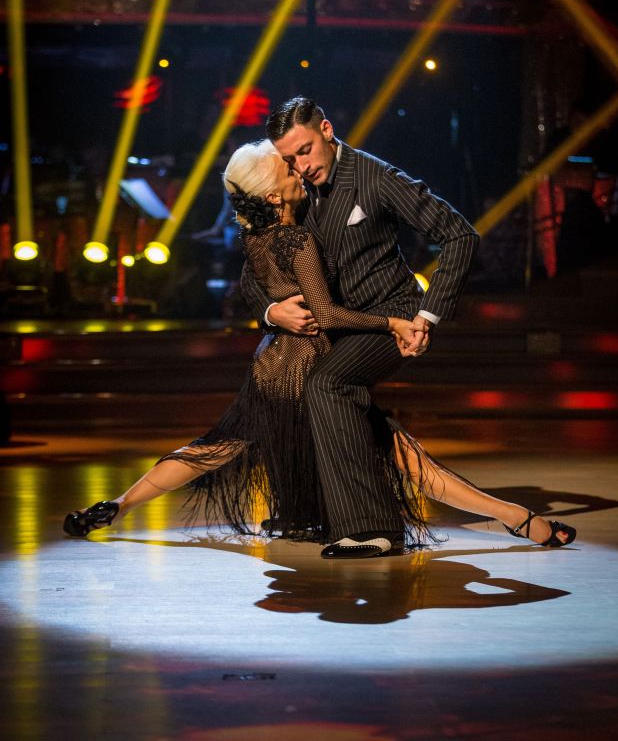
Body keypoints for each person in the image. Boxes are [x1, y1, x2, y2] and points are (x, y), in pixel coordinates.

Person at [63, 138, 576, 554]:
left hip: (272, 365)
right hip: (307, 365)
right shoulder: (296, 235)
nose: (296, 169)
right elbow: (306, 307)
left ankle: (118, 504)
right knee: (399, 456)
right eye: (286, 167)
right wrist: (386, 321)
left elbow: (270, 285)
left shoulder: (256, 233)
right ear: (272, 192)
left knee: (216, 446)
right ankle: (515, 517)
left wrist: (276, 313)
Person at [240, 97, 575, 558]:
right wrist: (271, 312)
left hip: (389, 320)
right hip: (336, 329)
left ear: (327, 130)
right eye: (289, 158)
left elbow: (460, 233)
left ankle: (373, 529)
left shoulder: (373, 176)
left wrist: (426, 316)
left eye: (305, 150)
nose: (300, 165)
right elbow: (254, 267)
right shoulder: (295, 192)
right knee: (378, 437)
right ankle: (516, 517)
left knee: (328, 385)